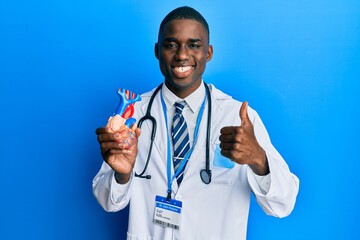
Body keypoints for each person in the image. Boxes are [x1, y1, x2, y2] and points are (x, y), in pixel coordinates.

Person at [93, 6, 299, 240]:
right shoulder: (134, 114)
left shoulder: (238, 117)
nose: (182, 55)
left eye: (194, 45)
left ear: (208, 52)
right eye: (171, 45)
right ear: (157, 51)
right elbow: (107, 202)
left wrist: (258, 159)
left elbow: (284, 204)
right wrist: (122, 175)